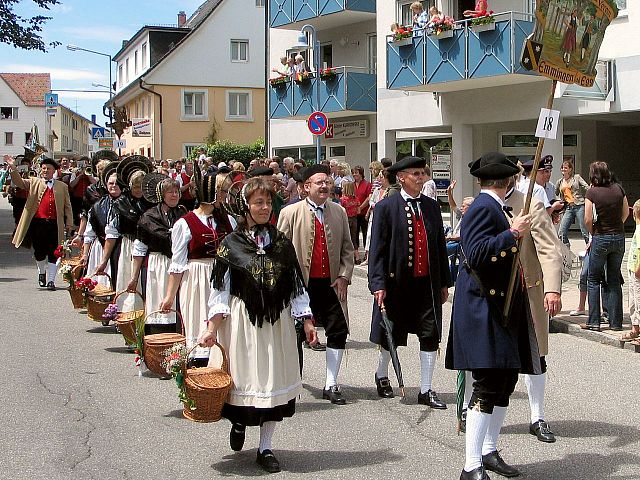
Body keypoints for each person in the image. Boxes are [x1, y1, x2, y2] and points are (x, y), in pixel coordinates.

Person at [200, 177, 317, 473]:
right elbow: (220, 290)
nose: (265, 208)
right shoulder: (231, 244)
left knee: (273, 381)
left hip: (276, 323)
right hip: (243, 323)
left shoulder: (281, 242)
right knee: (244, 380)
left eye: (268, 202)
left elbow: (295, 285)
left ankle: (265, 447)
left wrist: (306, 320)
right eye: (258, 203)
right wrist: (212, 328)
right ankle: (239, 422)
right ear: (246, 207)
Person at [445, 152, 540, 480]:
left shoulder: (494, 207)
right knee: (487, 385)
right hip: (483, 307)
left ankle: (489, 450)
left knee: (504, 381)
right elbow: (475, 253)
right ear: (508, 180)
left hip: (501, 308)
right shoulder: (484, 209)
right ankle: (471, 465)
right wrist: (512, 234)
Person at [369, 156, 452, 406]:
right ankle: (382, 374)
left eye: (421, 173)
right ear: (401, 178)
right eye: (414, 174)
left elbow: (439, 245)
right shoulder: (386, 207)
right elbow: (378, 249)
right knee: (389, 331)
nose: (420, 177)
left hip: (426, 284)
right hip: (396, 285)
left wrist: (444, 282)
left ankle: (426, 389)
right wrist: (378, 283)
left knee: (430, 334)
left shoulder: (431, 206)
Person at [277, 164, 355, 404]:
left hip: (330, 284)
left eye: (327, 182)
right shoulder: (290, 213)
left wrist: (344, 276)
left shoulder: (338, 212)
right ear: (306, 187)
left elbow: (347, 250)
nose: (324, 186)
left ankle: (331, 383)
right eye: (319, 182)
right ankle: (293, 384)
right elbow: (280, 251)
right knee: (296, 333)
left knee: (338, 330)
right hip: (300, 286)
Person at [160, 167, 235, 366]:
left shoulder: (229, 220)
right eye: (223, 192)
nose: (226, 197)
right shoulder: (185, 223)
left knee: (224, 323)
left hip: (224, 276)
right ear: (212, 194)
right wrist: (169, 297)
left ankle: (222, 368)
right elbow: (177, 264)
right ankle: (199, 370)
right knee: (198, 319)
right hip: (197, 279)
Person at [6, 155, 73, 290]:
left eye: (48, 168)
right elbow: (18, 182)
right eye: (43, 168)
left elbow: (68, 206)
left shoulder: (62, 186)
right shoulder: (33, 182)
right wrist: (13, 168)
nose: (45, 170)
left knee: (55, 252)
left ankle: (51, 281)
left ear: (53, 170)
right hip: (38, 223)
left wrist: (69, 222)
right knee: (39, 252)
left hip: (55, 224)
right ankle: (42, 273)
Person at [130, 174, 186, 335]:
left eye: (177, 191)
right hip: (158, 264)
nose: (175, 195)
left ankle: (177, 340)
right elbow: (139, 248)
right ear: (162, 195)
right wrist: (134, 277)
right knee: (157, 302)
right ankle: (156, 340)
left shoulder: (183, 214)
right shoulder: (149, 217)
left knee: (178, 304)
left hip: (178, 263)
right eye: (171, 192)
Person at [584, 161, 629, 331]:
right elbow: (625, 212)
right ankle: (616, 322)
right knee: (614, 279)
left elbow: (588, 218)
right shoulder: (619, 189)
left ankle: (594, 321)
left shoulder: (592, 192)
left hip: (601, 236)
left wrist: (593, 231)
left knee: (594, 279)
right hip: (618, 237)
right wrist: (618, 225)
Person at [82, 163, 124, 289]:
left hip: (122, 248)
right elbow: (89, 232)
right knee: (100, 284)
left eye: (117, 183)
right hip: (100, 247)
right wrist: (85, 254)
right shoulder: (98, 206)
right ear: (106, 185)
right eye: (111, 183)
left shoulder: (127, 203)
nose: (114, 186)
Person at [445, 180, 474, 282]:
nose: (461, 208)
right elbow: (453, 206)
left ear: (470, 208)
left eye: (464, 206)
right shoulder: (462, 215)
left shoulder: (472, 219)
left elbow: (462, 236)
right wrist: (449, 192)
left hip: (458, 243)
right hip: (452, 240)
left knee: (441, 251)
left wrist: (448, 238)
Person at [555, 159, 589, 245]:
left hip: (579, 206)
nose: (563, 170)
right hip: (568, 208)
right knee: (561, 232)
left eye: (565, 168)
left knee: (584, 231)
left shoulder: (576, 178)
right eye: (562, 168)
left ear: (570, 169)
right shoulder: (560, 182)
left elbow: (586, 187)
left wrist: (588, 198)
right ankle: (566, 250)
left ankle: (590, 249)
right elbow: (555, 194)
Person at [623, 199, 640, 341]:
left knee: (639, 300)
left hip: (637, 270)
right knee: (633, 300)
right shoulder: (637, 228)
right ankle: (635, 328)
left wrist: (638, 268)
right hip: (631, 268)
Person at [352, 165, 372, 259]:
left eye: (356, 172)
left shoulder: (367, 184)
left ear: (361, 173)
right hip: (354, 214)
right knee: (354, 233)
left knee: (365, 233)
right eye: (353, 173)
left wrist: (360, 207)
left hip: (364, 213)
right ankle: (356, 254)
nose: (354, 174)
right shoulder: (351, 185)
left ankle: (366, 254)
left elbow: (369, 197)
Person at [340, 181, 361, 264]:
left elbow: (341, 211)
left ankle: (346, 256)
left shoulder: (343, 200)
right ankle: (357, 257)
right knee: (353, 238)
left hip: (346, 220)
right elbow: (359, 211)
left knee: (345, 238)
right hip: (354, 220)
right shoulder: (356, 199)